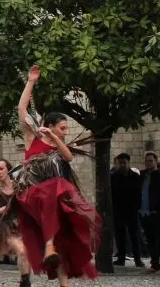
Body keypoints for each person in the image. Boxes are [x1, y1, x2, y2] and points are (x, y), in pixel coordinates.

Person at [14, 66, 101, 284]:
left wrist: (55, 137)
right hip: (32, 195)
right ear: (50, 125)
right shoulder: (31, 139)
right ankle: (48, 245)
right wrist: (31, 81)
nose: (65, 131)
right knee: (55, 185)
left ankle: (61, 275)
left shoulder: (57, 146)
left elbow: (69, 158)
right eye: (62, 128)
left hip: (53, 202)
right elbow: (22, 108)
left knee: (64, 243)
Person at [0, 159, 31, 287]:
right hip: (6, 227)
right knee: (22, 251)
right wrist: (2, 210)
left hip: (22, 223)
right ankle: (26, 284)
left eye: (1, 168)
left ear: (9, 169)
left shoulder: (19, 185)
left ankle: (23, 281)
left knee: (26, 254)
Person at [110, 153, 143, 267]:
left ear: (129, 163)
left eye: (124, 163)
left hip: (132, 210)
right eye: (120, 163)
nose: (123, 165)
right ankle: (121, 258)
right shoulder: (113, 177)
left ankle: (137, 258)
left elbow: (139, 193)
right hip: (118, 210)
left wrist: (137, 207)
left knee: (134, 235)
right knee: (120, 235)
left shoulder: (135, 177)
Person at [139, 152, 160, 273]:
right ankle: (155, 264)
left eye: (151, 161)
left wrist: (159, 208)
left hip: (157, 212)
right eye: (147, 161)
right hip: (144, 212)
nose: (148, 163)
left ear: (156, 161)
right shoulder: (143, 175)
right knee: (150, 240)